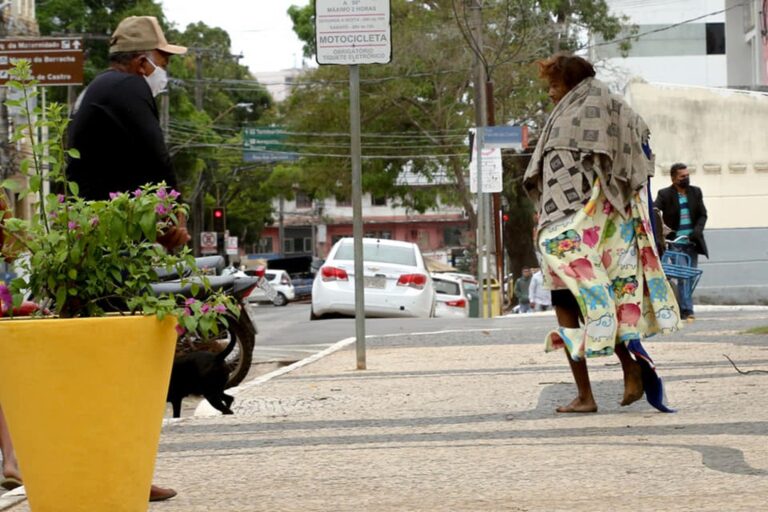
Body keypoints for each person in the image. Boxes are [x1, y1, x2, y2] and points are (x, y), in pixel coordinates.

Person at [66, 15, 189, 502]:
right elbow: (156, 159)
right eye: (162, 60)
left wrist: (157, 220)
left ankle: (122, 472)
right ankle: (116, 475)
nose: (164, 70)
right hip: (104, 246)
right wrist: (174, 216)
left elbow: (134, 168)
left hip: (96, 237)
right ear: (142, 61)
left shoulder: (103, 88)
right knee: (121, 365)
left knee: (112, 365)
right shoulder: (127, 88)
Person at [523, 53, 681, 414]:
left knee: (577, 309)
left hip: (570, 232)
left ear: (571, 83)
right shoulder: (613, 109)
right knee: (594, 306)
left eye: (553, 84)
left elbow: (562, 185)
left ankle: (592, 392)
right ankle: (622, 373)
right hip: (599, 232)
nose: (549, 93)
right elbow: (636, 151)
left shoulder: (572, 118)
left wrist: (555, 226)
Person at [654, 163, 708, 321]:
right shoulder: (664, 194)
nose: (686, 178)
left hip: (692, 242)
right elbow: (655, 210)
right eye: (682, 176)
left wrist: (697, 231)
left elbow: (703, 215)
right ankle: (687, 310)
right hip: (675, 242)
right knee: (683, 276)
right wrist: (662, 231)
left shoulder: (695, 192)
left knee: (690, 276)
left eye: (687, 175)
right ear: (673, 178)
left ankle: (683, 306)